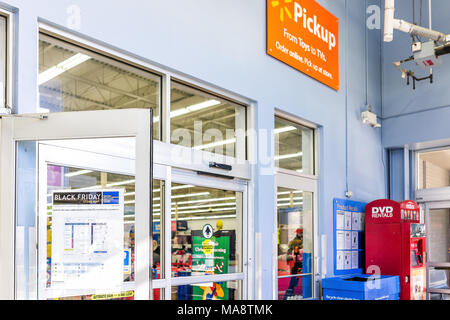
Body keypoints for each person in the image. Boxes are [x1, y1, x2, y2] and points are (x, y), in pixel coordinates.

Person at [284, 228, 303, 299]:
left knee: (294, 274)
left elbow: (289, 252)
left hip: (295, 261)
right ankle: (292, 287)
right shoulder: (297, 242)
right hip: (297, 261)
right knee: (294, 274)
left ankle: (291, 287)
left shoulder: (293, 242)